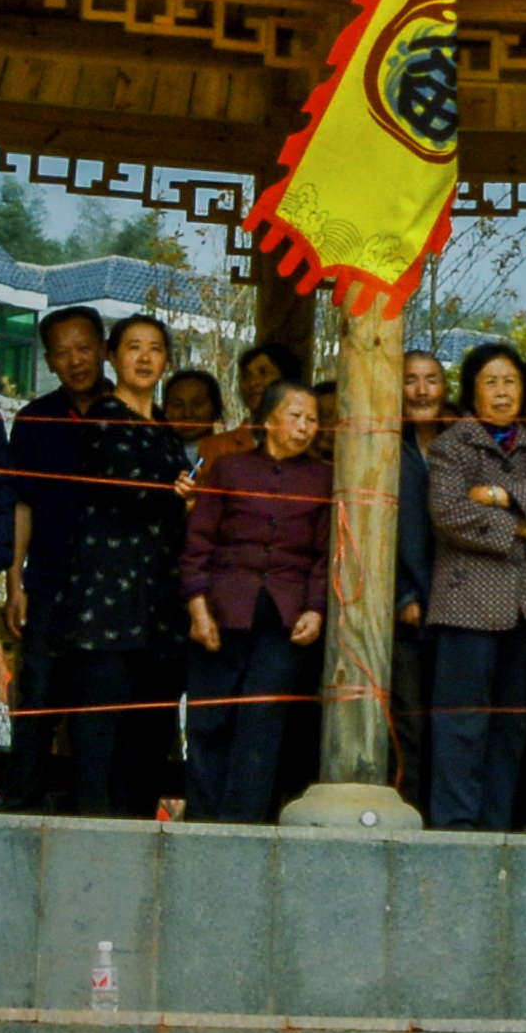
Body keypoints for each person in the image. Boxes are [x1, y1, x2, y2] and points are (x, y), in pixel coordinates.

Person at [18, 315, 189, 819]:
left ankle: (136, 826)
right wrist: (183, 495)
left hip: (160, 598)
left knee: (151, 726)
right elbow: (136, 489)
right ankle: (94, 827)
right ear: (112, 356)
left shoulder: (165, 427)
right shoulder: (105, 418)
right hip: (107, 597)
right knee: (100, 722)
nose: (143, 358)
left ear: (166, 361)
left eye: (155, 349)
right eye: (132, 347)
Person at [410, 338, 526, 832]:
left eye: (511, 382)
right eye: (491, 382)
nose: (502, 392)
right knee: (462, 720)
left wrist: (500, 494)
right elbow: (451, 514)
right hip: (467, 601)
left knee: (510, 723)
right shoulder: (452, 444)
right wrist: (520, 526)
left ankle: (496, 824)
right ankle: (456, 823)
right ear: (472, 390)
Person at [178, 373, 333, 825]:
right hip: (223, 610)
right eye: (295, 417)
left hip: (286, 618)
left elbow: (326, 555)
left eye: (312, 420)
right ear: (267, 422)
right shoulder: (229, 468)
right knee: (210, 723)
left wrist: (316, 608)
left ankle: (243, 826)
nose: (305, 427)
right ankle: (204, 825)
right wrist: (197, 608)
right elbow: (199, 542)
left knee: (262, 723)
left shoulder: (324, 479)